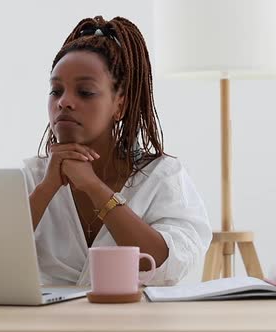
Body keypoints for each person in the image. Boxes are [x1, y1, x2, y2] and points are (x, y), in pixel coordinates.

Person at [22, 16, 212, 286]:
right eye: (56, 90)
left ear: (119, 105)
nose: (64, 102)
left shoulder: (161, 176)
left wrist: (94, 188)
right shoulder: (31, 176)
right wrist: (47, 187)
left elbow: (168, 264)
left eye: (85, 92)